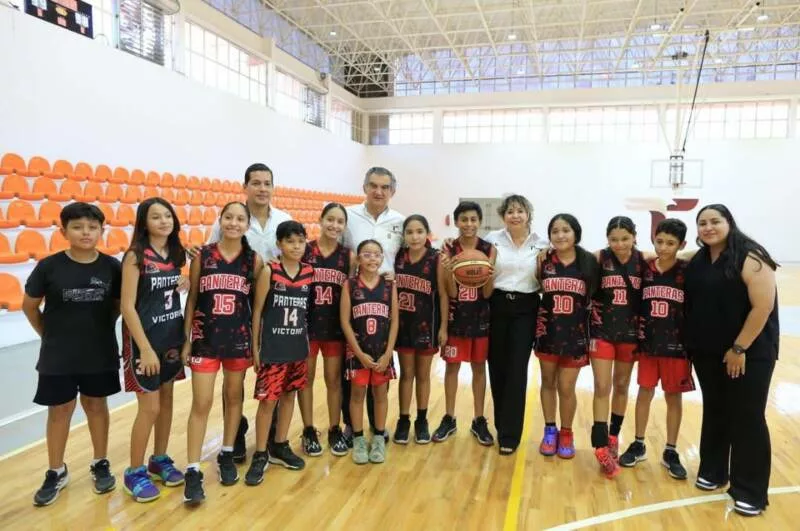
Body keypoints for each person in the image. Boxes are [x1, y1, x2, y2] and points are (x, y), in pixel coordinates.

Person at [23, 202, 121, 506]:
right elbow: (30, 306)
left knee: (96, 406)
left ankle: (100, 462)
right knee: (59, 411)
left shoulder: (112, 267)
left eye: (92, 227)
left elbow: (118, 307)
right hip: (58, 357)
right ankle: (56, 470)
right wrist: (48, 335)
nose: (85, 232)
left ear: (102, 230)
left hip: (99, 353)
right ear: (63, 231)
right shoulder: (48, 267)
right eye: (77, 227)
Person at [684, 204, 779, 517]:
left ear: (729, 223)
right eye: (702, 223)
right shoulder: (700, 259)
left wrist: (738, 348)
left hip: (749, 353)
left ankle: (750, 490)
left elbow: (762, 308)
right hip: (708, 351)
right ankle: (713, 471)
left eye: (715, 221)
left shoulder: (751, 257)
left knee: (747, 416)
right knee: (715, 409)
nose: (708, 227)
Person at [201, 163, 292, 463]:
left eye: (267, 183)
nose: (262, 188)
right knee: (234, 377)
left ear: (273, 187)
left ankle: (274, 435)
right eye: (256, 183)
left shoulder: (284, 219)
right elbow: (211, 257)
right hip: (237, 305)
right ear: (245, 187)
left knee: (275, 369)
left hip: (275, 306)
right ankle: (236, 430)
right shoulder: (231, 219)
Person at [181, 202, 263, 505]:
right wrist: (187, 339)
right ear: (221, 220)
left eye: (240, 219)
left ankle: (227, 453)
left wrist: (256, 345)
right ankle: (192, 469)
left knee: (233, 397)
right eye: (229, 217)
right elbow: (192, 299)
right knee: (201, 402)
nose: (233, 223)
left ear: (247, 225)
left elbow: (256, 307)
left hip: (238, 340)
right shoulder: (203, 255)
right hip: (205, 340)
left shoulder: (254, 260)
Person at [120, 198, 188, 502]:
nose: (164, 221)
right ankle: (134, 471)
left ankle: (159, 459)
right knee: (149, 407)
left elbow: (173, 288)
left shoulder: (176, 254)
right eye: (156, 217)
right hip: (144, 342)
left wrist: (185, 279)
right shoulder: (135, 256)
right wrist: (144, 349)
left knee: (167, 401)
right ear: (144, 223)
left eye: (167, 216)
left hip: (170, 337)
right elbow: (127, 307)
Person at [619, 219, 695, 480]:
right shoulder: (645, 268)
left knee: (673, 398)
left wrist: (682, 254)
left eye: (671, 243)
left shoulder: (687, 269)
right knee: (644, 392)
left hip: (677, 346)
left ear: (681, 245)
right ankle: (639, 443)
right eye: (659, 242)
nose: (663, 247)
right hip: (649, 344)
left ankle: (670, 450)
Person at [246, 221, 313, 485]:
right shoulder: (270, 271)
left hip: (297, 347)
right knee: (267, 402)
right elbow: (257, 311)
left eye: (300, 241)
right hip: (273, 348)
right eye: (290, 241)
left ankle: (280, 444)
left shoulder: (309, 272)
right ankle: (260, 453)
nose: (296, 246)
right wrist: (255, 347)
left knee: (289, 396)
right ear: (279, 244)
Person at [343, 167, 404, 440]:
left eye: (385, 187)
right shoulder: (348, 216)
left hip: (384, 301)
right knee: (353, 372)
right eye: (374, 185)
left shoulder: (400, 221)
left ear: (393, 191)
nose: (379, 191)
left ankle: (378, 428)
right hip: (355, 298)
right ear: (364, 187)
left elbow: (408, 256)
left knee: (380, 369)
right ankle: (351, 426)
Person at [484, 195, 547, 455]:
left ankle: (510, 435)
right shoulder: (492, 240)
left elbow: (546, 279)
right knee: (497, 367)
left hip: (526, 308)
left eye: (520, 211)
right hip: (497, 305)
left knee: (517, 369)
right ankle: (501, 425)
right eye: (510, 211)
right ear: (503, 216)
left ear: (528, 214)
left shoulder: (542, 244)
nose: (515, 215)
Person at [536, 214, 599, 460]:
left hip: (576, 335)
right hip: (548, 331)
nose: (560, 235)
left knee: (566, 387)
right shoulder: (543, 261)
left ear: (576, 233)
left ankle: (567, 432)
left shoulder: (589, 262)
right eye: (555, 231)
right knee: (547, 382)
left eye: (566, 230)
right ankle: (549, 430)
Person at [434, 201, 496, 446]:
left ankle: (479, 419)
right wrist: (442, 328)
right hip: (455, 318)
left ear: (479, 221)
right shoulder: (447, 249)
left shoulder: (489, 249)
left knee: (479, 369)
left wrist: (489, 275)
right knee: (452, 369)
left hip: (481, 318)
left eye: (473, 219)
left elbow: (488, 293)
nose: (468, 224)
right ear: (456, 221)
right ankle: (449, 417)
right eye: (464, 219)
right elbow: (448, 292)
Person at [588, 216, 644, 477]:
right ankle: (600, 444)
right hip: (602, 331)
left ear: (634, 237)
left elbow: (678, 255)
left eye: (625, 238)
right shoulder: (599, 257)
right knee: (602, 386)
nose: (619, 244)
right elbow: (569, 255)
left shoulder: (644, 259)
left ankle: (613, 437)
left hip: (629, 334)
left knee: (622, 385)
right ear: (607, 239)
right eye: (614, 239)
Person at [299, 203, 355, 457]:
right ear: (320, 220)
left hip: (335, 327)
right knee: (306, 379)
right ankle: (309, 429)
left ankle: (334, 428)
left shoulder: (348, 256)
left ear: (345, 226)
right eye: (330, 219)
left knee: (333, 380)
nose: (334, 225)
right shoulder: (304, 250)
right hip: (307, 325)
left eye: (340, 221)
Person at [340, 239, 399, 464]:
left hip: (382, 351)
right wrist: (358, 353)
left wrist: (388, 353)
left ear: (382, 258)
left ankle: (378, 437)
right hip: (358, 352)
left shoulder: (390, 285)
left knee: (380, 394)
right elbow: (345, 322)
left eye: (376, 254)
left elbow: (395, 321)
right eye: (366, 254)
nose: (372, 258)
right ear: (358, 259)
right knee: (357, 395)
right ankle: (358, 439)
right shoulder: (350, 285)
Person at [393, 215, 449, 445]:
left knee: (423, 375)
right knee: (406, 374)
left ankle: (422, 420)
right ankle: (404, 420)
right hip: (403, 324)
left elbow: (443, 295)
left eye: (419, 231)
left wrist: (444, 327)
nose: (414, 236)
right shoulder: (398, 257)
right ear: (404, 235)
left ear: (427, 233)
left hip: (428, 323)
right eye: (409, 232)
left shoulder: (436, 258)